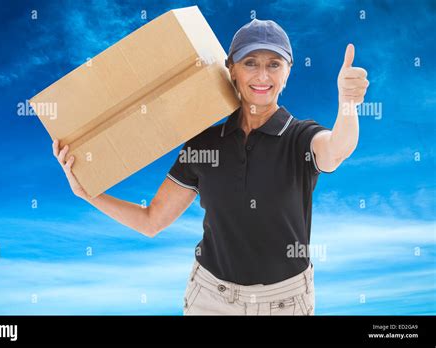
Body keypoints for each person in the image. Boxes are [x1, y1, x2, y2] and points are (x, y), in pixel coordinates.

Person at [52, 18, 369, 315]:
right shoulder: (204, 144)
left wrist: (348, 103)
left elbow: (337, 149)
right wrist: (88, 194)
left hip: (284, 302)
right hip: (210, 298)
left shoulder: (300, 138)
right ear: (231, 69)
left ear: (287, 72)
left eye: (274, 64)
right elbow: (152, 221)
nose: (262, 76)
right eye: (250, 64)